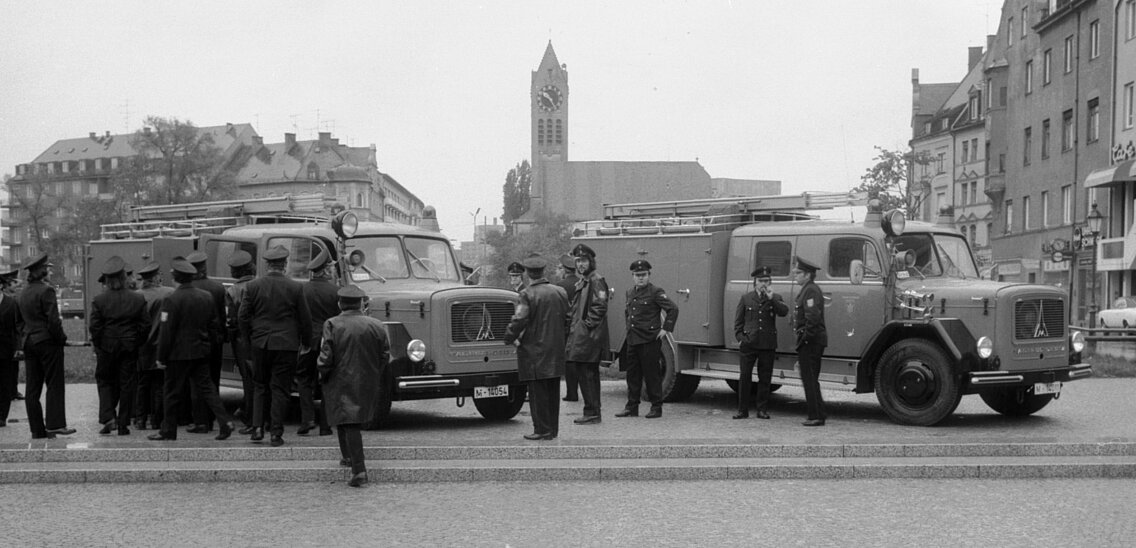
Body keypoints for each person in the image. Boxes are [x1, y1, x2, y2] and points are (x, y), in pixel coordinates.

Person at [147, 258, 235, 441]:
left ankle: (168, 430)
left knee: (171, 392)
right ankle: (225, 422)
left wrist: (161, 357)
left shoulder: (171, 299)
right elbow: (213, 325)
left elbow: (166, 331)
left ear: (175, 278)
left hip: (177, 355)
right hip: (200, 351)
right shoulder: (205, 296)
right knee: (208, 389)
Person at [239, 245, 312, 447]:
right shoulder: (296, 287)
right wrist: (306, 342)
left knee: (260, 385)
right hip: (287, 344)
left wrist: (248, 340)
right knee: (280, 388)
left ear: (267, 265)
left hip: (260, 342)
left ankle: (257, 428)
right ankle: (276, 433)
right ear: (285, 265)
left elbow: (243, 317)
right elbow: (305, 319)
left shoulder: (252, 286)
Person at [318, 285, 390, 488]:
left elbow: (326, 355)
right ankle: (347, 457)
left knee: (347, 421)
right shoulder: (376, 325)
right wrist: (374, 372)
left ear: (340, 304)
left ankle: (359, 469)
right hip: (367, 379)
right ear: (361, 303)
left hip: (339, 379)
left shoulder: (332, 324)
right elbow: (385, 354)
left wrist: (322, 373)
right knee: (347, 419)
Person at [504, 254, 569, 441]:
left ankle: (541, 429)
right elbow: (568, 319)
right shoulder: (559, 292)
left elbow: (519, 320)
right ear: (543, 271)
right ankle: (552, 430)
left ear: (528, 274)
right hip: (555, 349)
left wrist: (509, 337)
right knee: (552, 392)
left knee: (537, 393)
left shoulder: (527, 294)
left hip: (533, 352)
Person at [89, 256, 149, 435]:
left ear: (107, 280)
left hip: (107, 347)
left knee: (105, 381)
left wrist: (100, 345)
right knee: (127, 384)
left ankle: (108, 417)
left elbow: (95, 327)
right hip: (129, 347)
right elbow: (145, 325)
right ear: (124, 277)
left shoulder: (99, 300)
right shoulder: (137, 299)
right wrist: (136, 341)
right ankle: (123, 424)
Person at [18, 253, 75, 439]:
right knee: (54, 383)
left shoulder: (23, 292)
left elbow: (19, 321)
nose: (50, 271)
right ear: (42, 272)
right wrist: (61, 339)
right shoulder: (47, 291)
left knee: (32, 388)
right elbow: (53, 321)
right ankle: (55, 424)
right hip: (47, 343)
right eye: (48, 269)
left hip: (29, 342)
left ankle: (37, 429)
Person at [616, 260, 678, 420]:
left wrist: (666, 329)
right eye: (637, 275)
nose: (640, 278)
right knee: (633, 376)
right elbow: (628, 313)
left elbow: (672, 309)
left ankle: (656, 407)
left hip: (649, 340)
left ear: (649, 275)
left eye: (643, 275)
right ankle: (632, 407)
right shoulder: (630, 292)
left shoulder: (656, 292)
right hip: (633, 339)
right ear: (633, 276)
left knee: (652, 375)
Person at [733, 266, 788, 420]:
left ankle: (761, 409)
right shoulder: (746, 298)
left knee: (765, 378)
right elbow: (738, 321)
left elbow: (783, 312)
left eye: (767, 281)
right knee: (745, 377)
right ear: (755, 282)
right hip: (749, 343)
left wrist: (772, 299)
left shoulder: (775, 297)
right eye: (761, 281)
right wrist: (740, 338)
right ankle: (742, 410)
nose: (764, 283)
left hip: (767, 344)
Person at [565, 244, 609, 425]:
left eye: (583, 261)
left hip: (589, 337)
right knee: (585, 373)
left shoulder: (596, 280)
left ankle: (592, 412)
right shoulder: (584, 280)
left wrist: (585, 326)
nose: (581, 264)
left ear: (591, 261)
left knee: (588, 374)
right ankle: (591, 410)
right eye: (578, 261)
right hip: (583, 335)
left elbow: (600, 306)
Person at [185, 251, 227, 434]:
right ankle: (212, 418)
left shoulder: (187, 289)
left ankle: (200, 421)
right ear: (205, 267)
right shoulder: (218, 288)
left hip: (194, 342)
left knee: (196, 383)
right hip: (214, 341)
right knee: (213, 380)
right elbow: (222, 316)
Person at [298, 249, 338, 436]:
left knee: (304, 380)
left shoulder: (302, 290)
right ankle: (325, 425)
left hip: (307, 342)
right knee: (327, 382)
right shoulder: (335, 292)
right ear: (325, 270)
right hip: (327, 342)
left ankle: (307, 420)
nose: (332, 270)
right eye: (330, 267)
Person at [134, 261, 173, 431]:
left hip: (142, 347)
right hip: (160, 345)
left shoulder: (136, 296)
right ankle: (157, 420)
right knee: (159, 385)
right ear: (156, 277)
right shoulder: (168, 293)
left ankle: (140, 420)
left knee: (142, 384)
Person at [224, 251, 259, 434]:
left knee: (248, 380)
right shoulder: (259, 284)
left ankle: (251, 420)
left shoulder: (233, 290)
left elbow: (231, 319)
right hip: (261, 337)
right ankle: (262, 418)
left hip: (242, 340)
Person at [793, 256, 827, 427]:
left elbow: (812, 318)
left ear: (807, 275)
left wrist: (805, 338)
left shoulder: (811, 291)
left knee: (810, 379)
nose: (795, 274)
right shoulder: (808, 289)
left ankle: (815, 416)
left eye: (799, 272)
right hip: (812, 341)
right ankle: (819, 413)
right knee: (811, 378)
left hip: (810, 342)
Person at [554, 253, 581, 402]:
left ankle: (571, 393)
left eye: (559, 268)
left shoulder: (560, 286)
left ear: (564, 270)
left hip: (565, 327)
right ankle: (577, 390)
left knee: (569, 360)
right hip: (580, 327)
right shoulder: (582, 283)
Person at [0, 270, 22, 428]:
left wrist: (18, 347)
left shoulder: (11, 303)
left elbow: (17, 327)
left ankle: (2, 416)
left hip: (5, 349)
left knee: (5, 384)